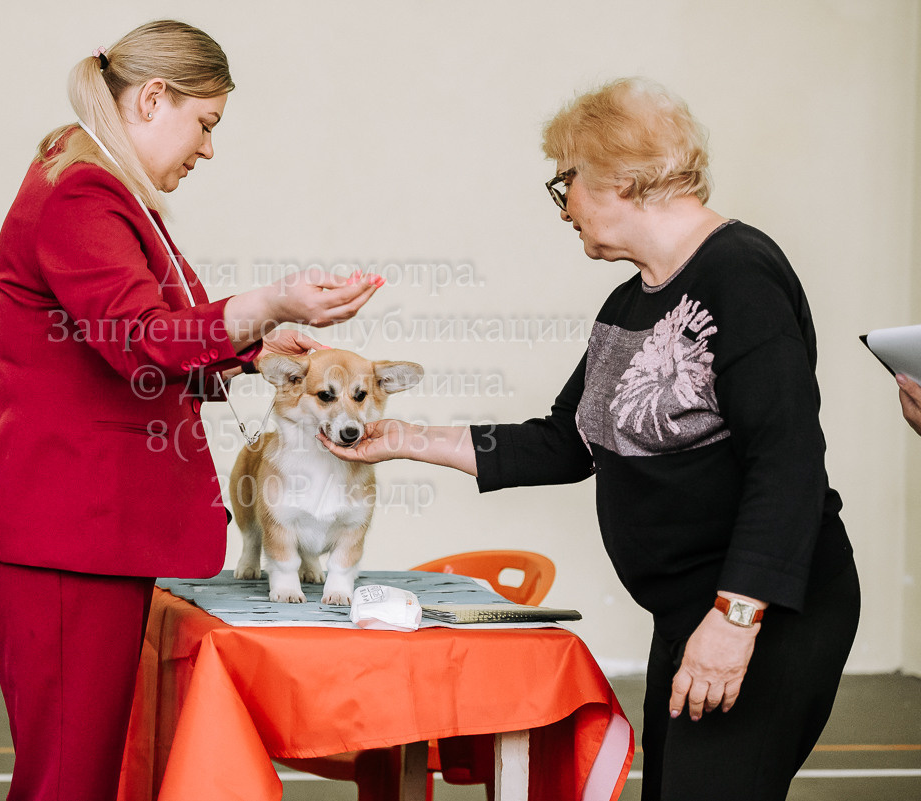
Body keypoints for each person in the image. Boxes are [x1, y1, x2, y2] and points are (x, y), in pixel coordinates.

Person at [320, 78, 859, 801]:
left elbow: (787, 462)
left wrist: (735, 620)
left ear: (623, 177)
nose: (564, 204)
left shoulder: (741, 274)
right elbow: (565, 441)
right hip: (690, 613)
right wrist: (404, 437)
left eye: (566, 181)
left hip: (761, 613)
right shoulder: (629, 301)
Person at [0, 20, 382, 801]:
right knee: (66, 783)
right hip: (60, 537)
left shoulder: (96, 182)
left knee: (83, 776)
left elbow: (149, 325)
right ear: (154, 98)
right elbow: (141, 339)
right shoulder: (82, 192)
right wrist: (266, 301)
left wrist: (259, 347)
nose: (208, 148)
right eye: (205, 123)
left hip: (78, 536)